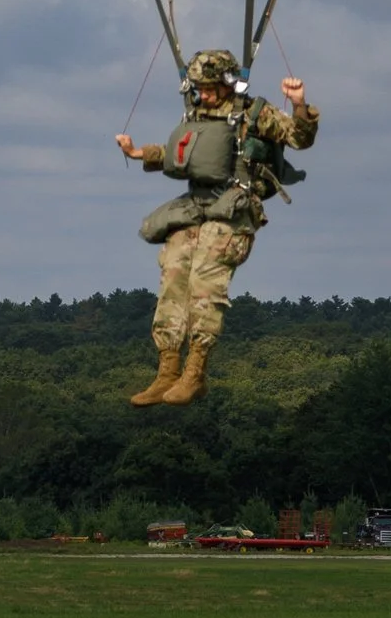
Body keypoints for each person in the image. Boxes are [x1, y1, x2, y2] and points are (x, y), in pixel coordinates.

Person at [114, 49, 320, 405]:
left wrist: (300, 105)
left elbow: (299, 139)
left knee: (203, 285)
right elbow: (180, 153)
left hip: (234, 210)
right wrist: (137, 154)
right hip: (196, 205)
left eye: (209, 88)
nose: (204, 94)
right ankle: (167, 371)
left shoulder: (254, 113)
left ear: (225, 84)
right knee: (173, 278)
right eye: (199, 88)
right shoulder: (196, 113)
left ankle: (195, 373)